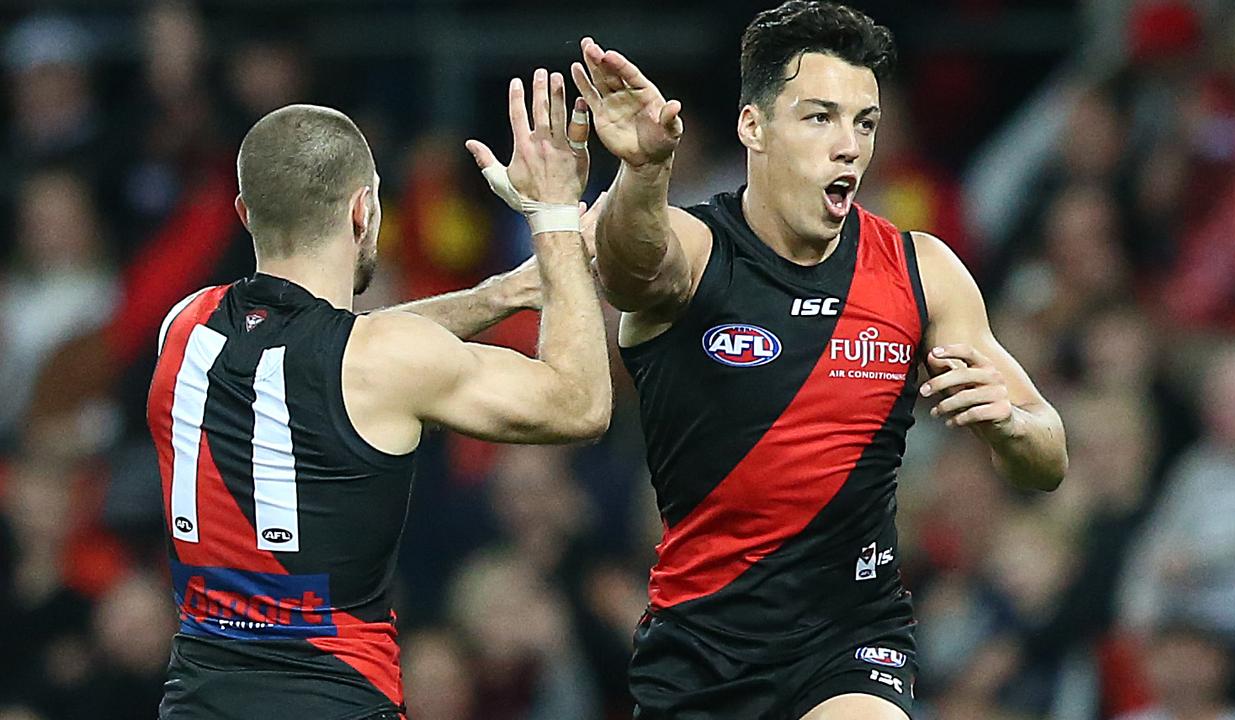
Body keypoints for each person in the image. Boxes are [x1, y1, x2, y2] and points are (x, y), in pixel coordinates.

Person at [569, 2, 1067, 719]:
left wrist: (1010, 425)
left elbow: (1048, 457)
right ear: (753, 127)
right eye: (819, 117)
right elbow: (627, 268)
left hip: (852, 642)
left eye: (864, 122)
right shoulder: (699, 250)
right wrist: (644, 170)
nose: (850, 146)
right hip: (700, 651)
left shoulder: (919, 270)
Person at [146, 69, 610, 720]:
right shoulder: (378, 360)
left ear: (247, 213)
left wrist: (502, 294)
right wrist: (555, 219)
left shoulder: (184, 326)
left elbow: (343, 347)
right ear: (363, 211)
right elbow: (582, 403)